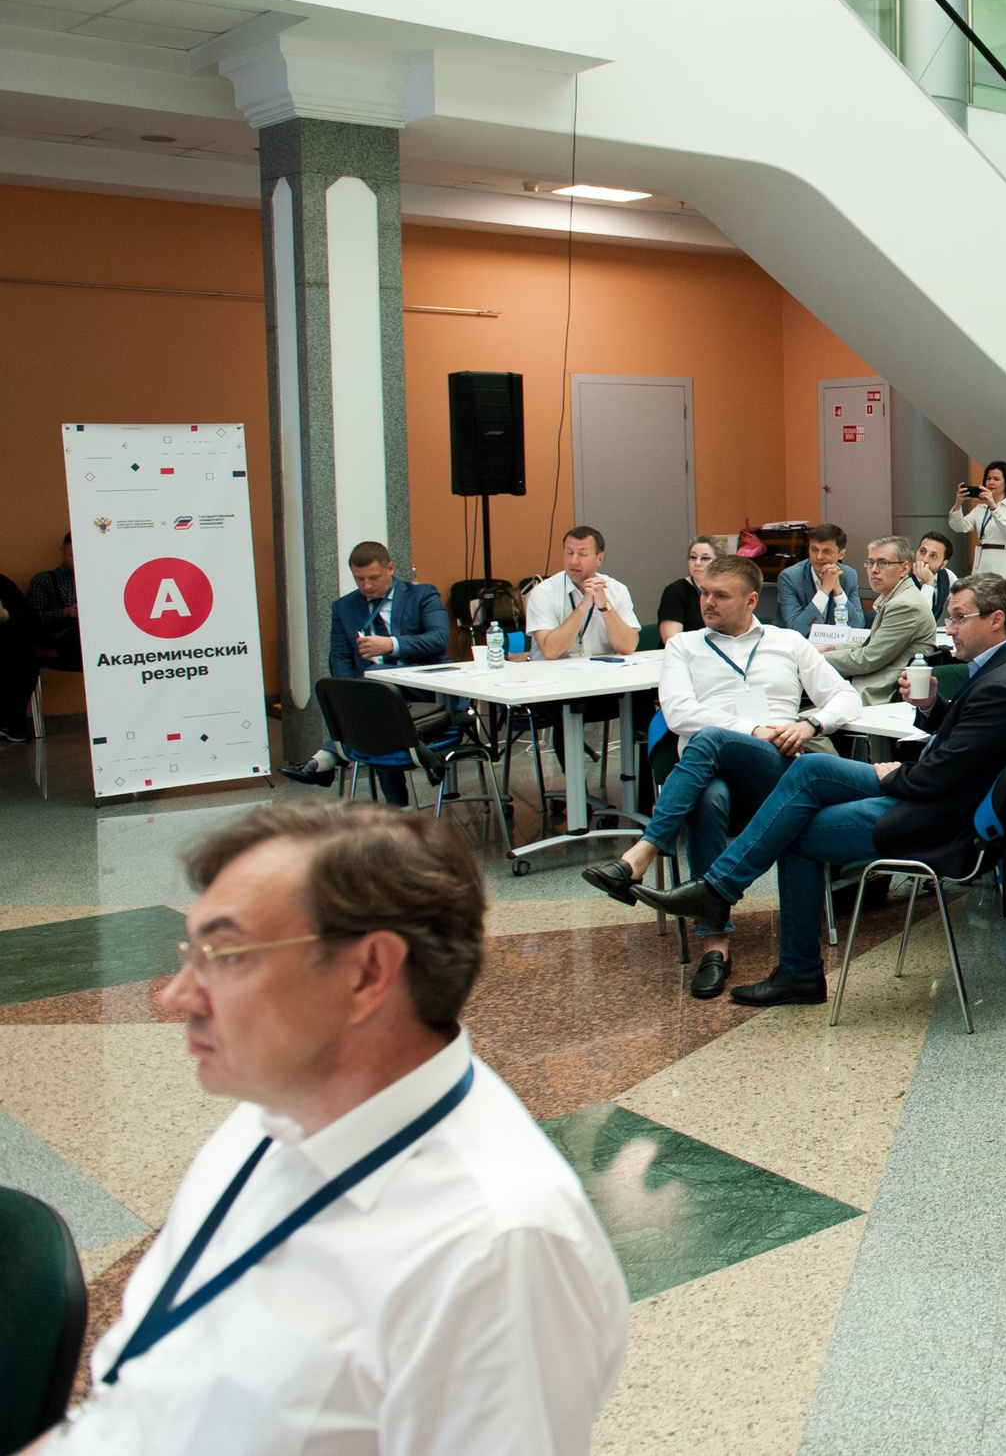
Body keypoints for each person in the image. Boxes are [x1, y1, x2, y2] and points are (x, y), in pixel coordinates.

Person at [41, 803, 625, 1454]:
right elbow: (138, 1400)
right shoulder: (264, 1116)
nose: (174, 996)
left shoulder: (495, 1247)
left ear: (368, 972)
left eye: (225, 954)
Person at [632, 575, 1006, 1005]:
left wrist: (887, 774)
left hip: (944, 818)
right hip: (948, 799)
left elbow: (941, 776)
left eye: (959, 618)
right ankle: (727, 899)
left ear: (997, 619)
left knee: (798, 829)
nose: (949, 628)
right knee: (811, 771)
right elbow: (969, 746)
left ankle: (772, 945)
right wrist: (932, 710)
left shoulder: (1004, 683)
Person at [576, 555, 864, 998]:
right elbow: (677, 712)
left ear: (751, 600)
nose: (707, 602)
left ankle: (642, 854)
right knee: (707, 795)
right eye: (704, 593)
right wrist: (751, 729)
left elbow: (845, 697)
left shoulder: (787, 642)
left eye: (720, 595)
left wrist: (809, 725)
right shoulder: (683, 646)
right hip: (710, 780)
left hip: (773, 777)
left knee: (708, 738)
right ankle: (716, 945)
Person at [278, 543, 457, 804]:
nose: (366, 586)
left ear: (391, 569)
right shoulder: (344, 607)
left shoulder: (422, 595)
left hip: (422, 688)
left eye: (373, 578)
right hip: (378, 696)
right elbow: (339, 656)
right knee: (367, 701)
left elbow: (439, 639)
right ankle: (397, 804)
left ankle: (327, 759)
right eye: (359, 579)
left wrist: (392, 644)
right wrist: (349, 694)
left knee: (374, 695)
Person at [825, 537, 940, 704]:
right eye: (870, 563)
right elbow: (872, 643)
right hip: (866, 685)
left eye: (883, 563)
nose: (873, 570)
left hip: (878, 695)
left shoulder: (904, 605)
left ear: (904, 568)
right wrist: (831, 647)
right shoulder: (898, 597)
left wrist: (812, 659)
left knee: (799, 719)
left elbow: (868, 659)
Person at [523, 526, 639, 660]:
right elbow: (550, 651)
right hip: (553, 676)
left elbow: (628, 646)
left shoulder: (617, 590)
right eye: (569, 553)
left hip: (603, 673)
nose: (573, 561)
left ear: (599, 559)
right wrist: (583, 607)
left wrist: (605, 606)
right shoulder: (543, 592)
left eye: (582, 554)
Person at [778, 524, 863, 637]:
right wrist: (824, 591)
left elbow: (857, 626)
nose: (818, 557)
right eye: (814, 550)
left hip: (834, 647)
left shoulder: (849, 576)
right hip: (797, 646)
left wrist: (838, 590)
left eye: (826, 551)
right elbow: (796, 628)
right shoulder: (790, 578)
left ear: (841, 554)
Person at [949, 461, 1006, 583]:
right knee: (979, 597)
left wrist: (993, 506)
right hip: (981, 559)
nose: (991, 482)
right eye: (988, 478)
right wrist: (958, 503)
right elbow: (959, 526)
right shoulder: (981, 508)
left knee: (1001, 596)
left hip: (1003, 558)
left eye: (996, 479)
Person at [27, 532, 77, 665]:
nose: (76, 560)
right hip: (61, 635)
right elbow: (33, 618)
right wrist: (64, 612)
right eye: (71, 555)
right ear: (63, 550)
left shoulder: (98, 579)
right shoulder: (44, 580)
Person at [657, 535, 718, 642]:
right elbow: (672, 640)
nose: (697, 563)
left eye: (705, 558)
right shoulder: (675, 591)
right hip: (683, 654)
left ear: (719, 562)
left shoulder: (725, 590)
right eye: (693, 557)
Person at [0, 566, 35, 742]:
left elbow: (25, 617)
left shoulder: (3, 584)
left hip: (7, 645)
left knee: (22, 657)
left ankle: (12, 723)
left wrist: (5, 614)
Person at [911, 530, 957, 623]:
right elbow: (920, 619)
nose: (924, 559)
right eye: (922, 551)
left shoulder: (948, 576)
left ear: (943, 564)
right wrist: (928, 582)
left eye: (933, 556)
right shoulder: (902, 577)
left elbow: (964, 603)